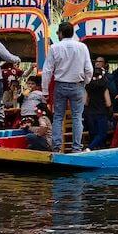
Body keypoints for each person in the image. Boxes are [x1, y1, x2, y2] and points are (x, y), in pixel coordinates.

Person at [42, 21, 93, 153]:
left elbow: (47, 70)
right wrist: (84, 82)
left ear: (61, 33)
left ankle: (57, 147)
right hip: (77, 85)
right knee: (77, 117)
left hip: (60, 85)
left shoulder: (54, 48)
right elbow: (89, 70)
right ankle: (76, 148)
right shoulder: (82, 47)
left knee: (58, 117)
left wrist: (45, 90)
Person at [84, 66, 114, 149]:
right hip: (101, 113)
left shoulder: (88, 86)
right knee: (102, 134)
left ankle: (92, 148)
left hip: (90, 113)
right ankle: (89, 148)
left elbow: (85, 102)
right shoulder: (104, 86)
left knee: (93, 133)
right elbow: (108, 103)